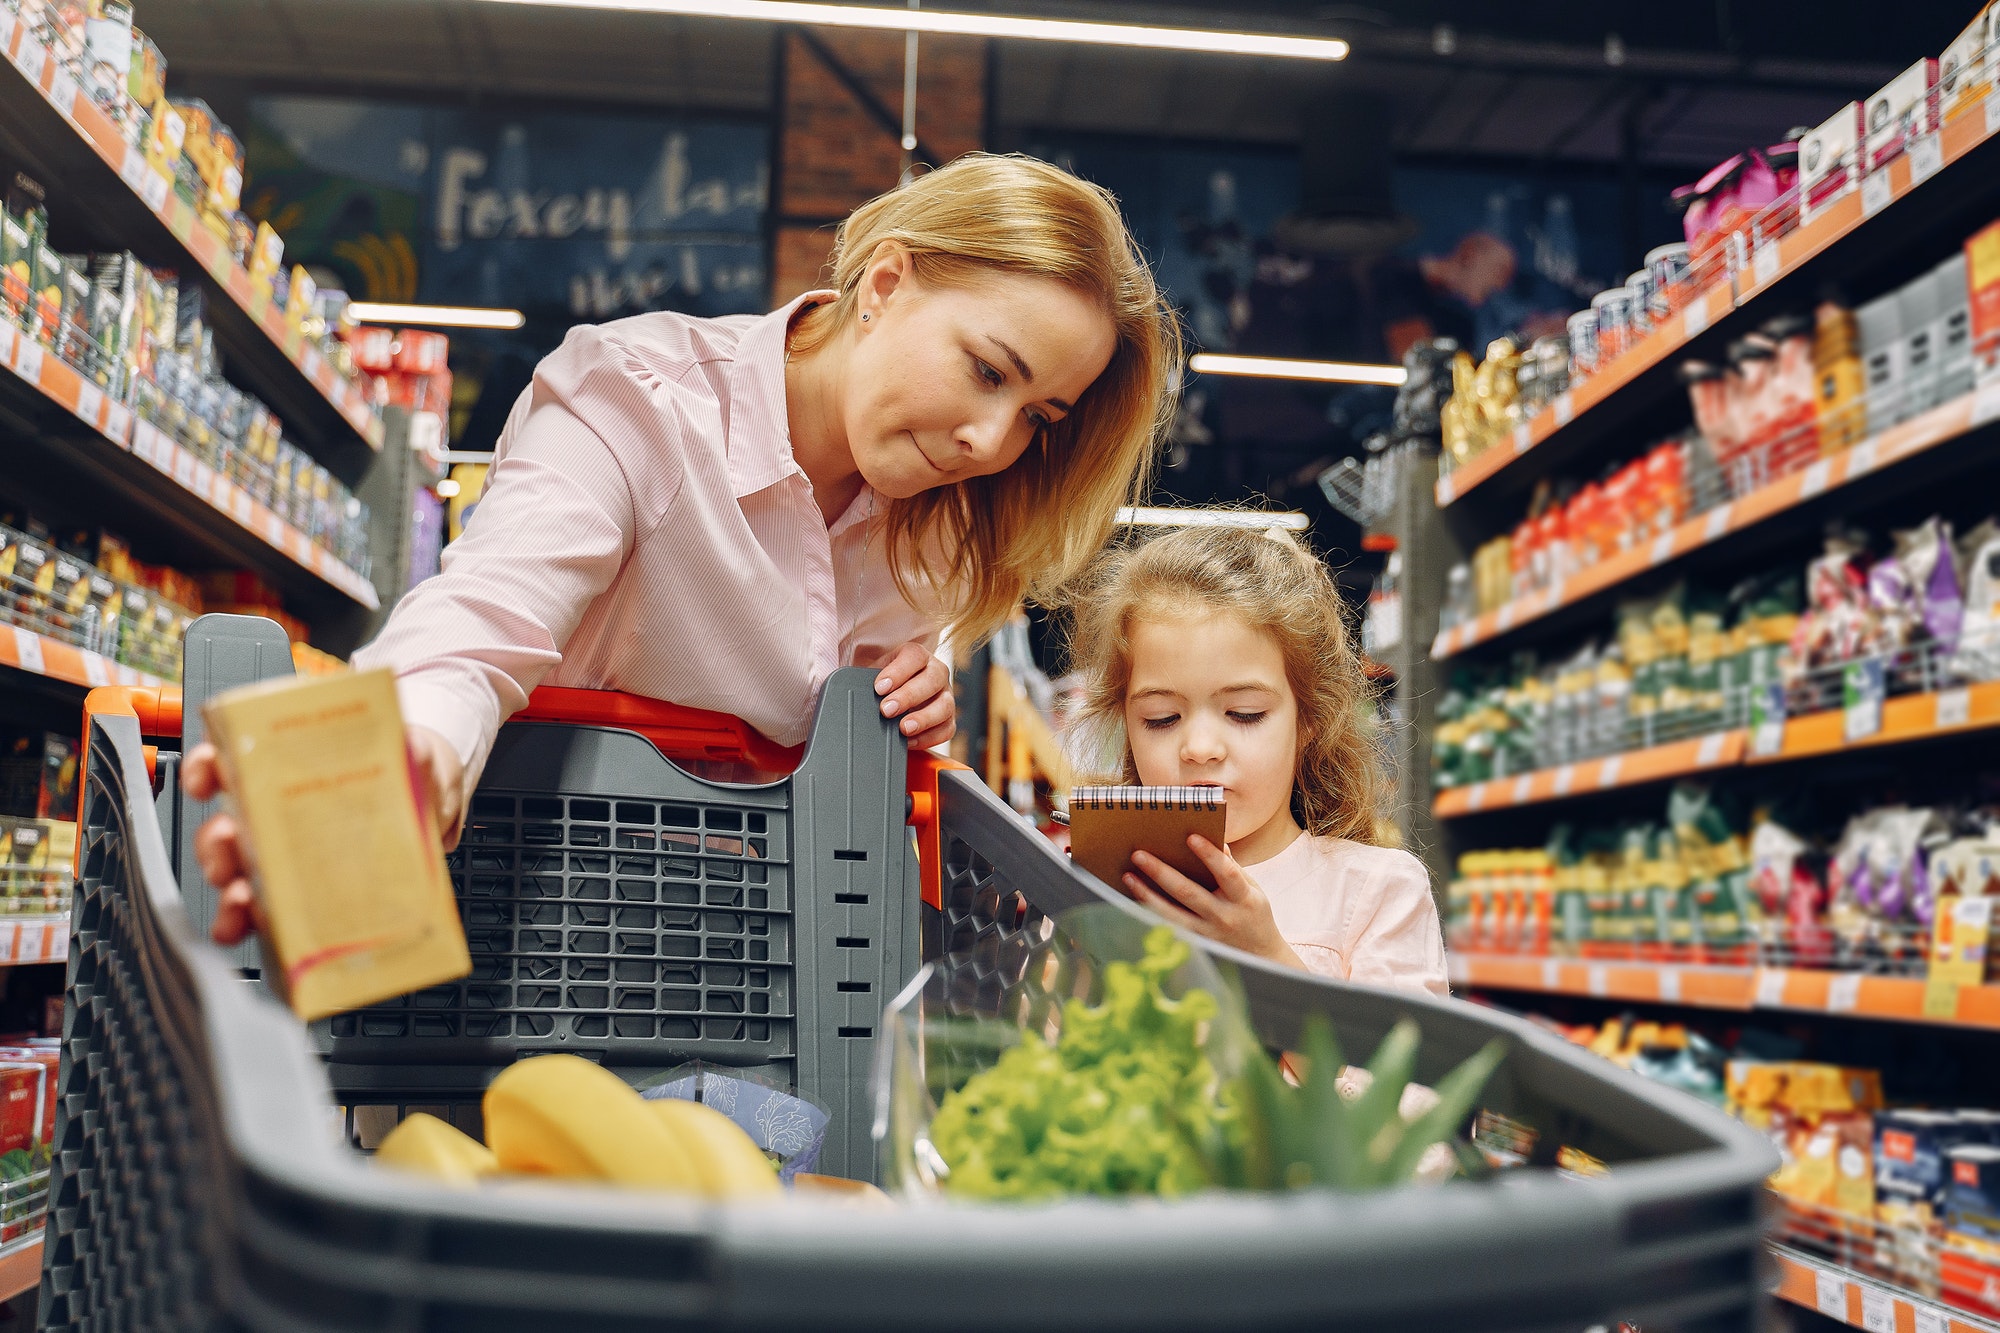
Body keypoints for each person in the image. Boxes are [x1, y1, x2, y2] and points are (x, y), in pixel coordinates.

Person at [185, 152, 1183, 944]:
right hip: (525, 938)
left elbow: (830, 764)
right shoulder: (637, 401)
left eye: (1038, 417)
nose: (991, 440)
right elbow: (479, 622)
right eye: (983, 370)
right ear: (885, 284)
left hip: (750, 981)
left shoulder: (937, 526)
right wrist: (407, 748)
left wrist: (893, 736)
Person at [1064, 524, 1448, 998]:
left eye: (1244, 714)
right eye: (1162, 719)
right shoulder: (1100, 891)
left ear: (1309, 720)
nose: (1200, 747)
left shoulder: (1379, 893)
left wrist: (1267, 958)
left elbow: (1399, 1073)